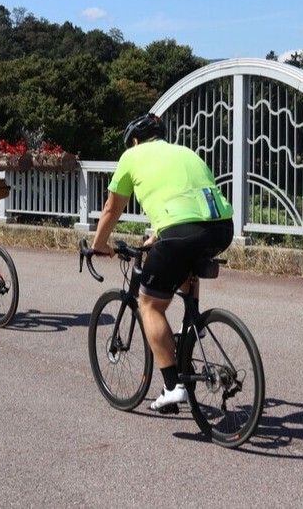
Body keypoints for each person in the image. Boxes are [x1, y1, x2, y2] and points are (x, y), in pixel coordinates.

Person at [90, 113, 234, 413]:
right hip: (222, 228)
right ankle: (193, 327)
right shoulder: (185, 152)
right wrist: (159, 234)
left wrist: (100, 245)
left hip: (181, 232)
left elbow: (111, 207)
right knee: (182, 261)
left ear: (134, 140)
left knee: (150, 305)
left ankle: (172, 387)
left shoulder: (132, 156)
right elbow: (188, 198)